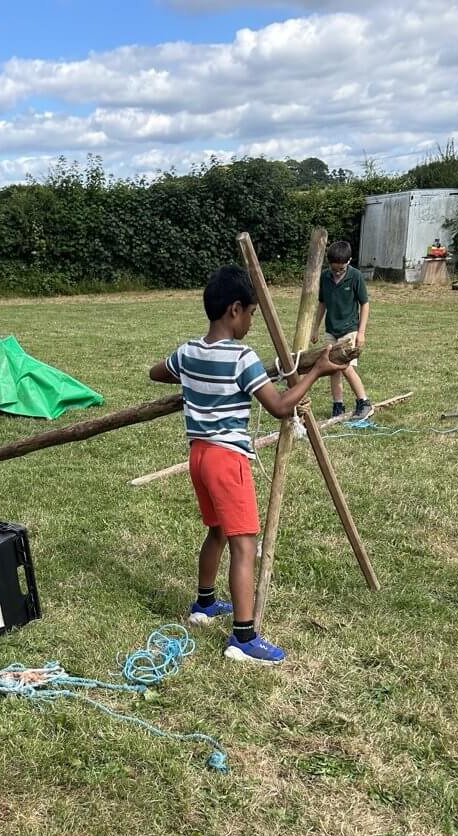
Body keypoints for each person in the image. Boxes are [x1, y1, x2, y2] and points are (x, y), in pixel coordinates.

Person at [149, 265, 345, 667]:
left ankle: (204, 604)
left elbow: (157, 372)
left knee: (217, 531)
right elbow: (279, 407)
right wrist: (317, 372)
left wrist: (194, 381)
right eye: (251, 314)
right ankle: (243, 637)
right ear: (234, 310)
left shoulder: (188, 352)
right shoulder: (242, 358)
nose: (252, 322)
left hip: (199, 458)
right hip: (227, 460)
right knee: (243, 545)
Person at [311, 240, 373, 420]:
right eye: (334, 269)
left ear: (349, 261)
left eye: (341, 269)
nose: (337, 272)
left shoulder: (356, 276)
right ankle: (338, 405)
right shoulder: (325, 277)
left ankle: (364, 402)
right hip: (331, 330)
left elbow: (365, 304)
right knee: (332, 368)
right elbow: (322, 303)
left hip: (349, 330)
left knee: (346, 367)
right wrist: (315, 328)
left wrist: (361, 333)